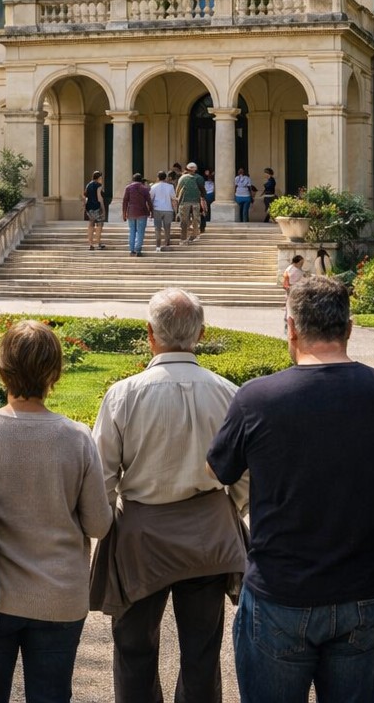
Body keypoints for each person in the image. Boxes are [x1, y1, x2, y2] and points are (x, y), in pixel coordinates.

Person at [208, 275, 374, 703]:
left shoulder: (257, 397)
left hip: (282, 590)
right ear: (349, 328)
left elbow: (219, 470)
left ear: (291, 328)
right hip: (363, 589)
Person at [0, 320, 112, 703]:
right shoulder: (77, 437)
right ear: (55, 373)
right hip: (59, 598)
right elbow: (98, 524)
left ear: (2, 368)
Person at [92, 287, 249, 703]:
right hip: (209, 535)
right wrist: (227, 505)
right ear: (200, 333)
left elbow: (101, 476)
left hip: (142, 535)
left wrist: (110, 526)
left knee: (133, 649)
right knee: (202, 651)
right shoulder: (229, 392)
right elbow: (248, 471)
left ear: (150, 334)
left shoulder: (123, 394)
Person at [120, 172, 152, 257]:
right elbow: (149, 201)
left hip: (131, 212)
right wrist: (151, 211)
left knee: (132, 231)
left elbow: (125, 201)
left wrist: (124, 213)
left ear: (133, 180)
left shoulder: (128, 188)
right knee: (140, 232)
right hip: (142, 212)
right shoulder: (145, 189)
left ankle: (132, 250)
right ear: (141, 180)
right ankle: (138, 249)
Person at [174, 161, 205, 244]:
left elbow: (178, 189)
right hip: (196, 201)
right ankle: (195, 236)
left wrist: (177, 198)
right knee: (196, 220)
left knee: (184, 221)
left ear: (187, 169)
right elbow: (202, 190)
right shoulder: (199, 178)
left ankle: (184, 238)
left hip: (184, 201)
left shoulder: (183, 178)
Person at [149, 170, 176, 252]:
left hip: (157, 209)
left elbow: (151, 198)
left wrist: (150, 210)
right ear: (166, 177)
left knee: (157, 228)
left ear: (158, 177)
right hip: (168, 209)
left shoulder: (153, 187)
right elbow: (173, 198)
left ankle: (158, 246)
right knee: (167, 228)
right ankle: (167, 244)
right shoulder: (170, 187)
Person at [84, 170, 107, 250]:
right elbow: (99, 198)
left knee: (91, 225)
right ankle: (98, 243)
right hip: (97, 207)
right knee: (99, 225)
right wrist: (103, 209)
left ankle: (90, 244)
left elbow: (86, 197)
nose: (102, 179)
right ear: (99, 178)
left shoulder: (88, 185)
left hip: (89, 207)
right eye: (101, 178)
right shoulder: (99, 185)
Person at [280, 254, 305, 319]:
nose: (302, 264)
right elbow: (299, 280)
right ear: (298, 262)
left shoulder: (290, 268)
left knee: (289, 304)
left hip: (290, 288)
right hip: (293, 288)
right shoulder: (295, 270)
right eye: (301, 262)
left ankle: (288, 317)